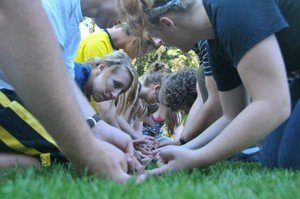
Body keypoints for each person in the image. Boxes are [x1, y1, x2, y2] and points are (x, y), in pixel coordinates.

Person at [117, 0, 300, 173]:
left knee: (290, 160)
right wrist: (185, 148)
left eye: (157, 36)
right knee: (274, 160)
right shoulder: (214, 42)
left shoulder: (233, 10)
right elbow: (231, 114)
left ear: (168, 23)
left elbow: (273, 104)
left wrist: (198, 158)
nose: (160, 43)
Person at [0, 0, 137, 183]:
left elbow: (65, 83)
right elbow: (43, 77)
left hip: (13, 99)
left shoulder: (73, 27)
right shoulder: (52, 5)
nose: (126, 22)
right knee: (66, 149)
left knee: (64, 151)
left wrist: (97, 127)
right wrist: (88, 148)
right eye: (133, 10)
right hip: (6, 96)